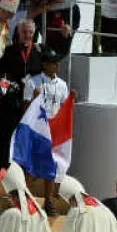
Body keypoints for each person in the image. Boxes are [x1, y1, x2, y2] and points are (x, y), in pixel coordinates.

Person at [24, 48, 74, 215]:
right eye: (53, 62)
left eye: (57, 62)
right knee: (32, 167)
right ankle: (23, 198)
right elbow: (25, 109)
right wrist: (34, 98)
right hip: (38, 130)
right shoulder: (33, 82)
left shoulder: (62, 85)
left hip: (54, 131)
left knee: (51, 167)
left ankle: (49, 201)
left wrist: (72, 99)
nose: (57, 65)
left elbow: (64, 109)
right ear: (45, 64)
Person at [0, 19, 44, 175]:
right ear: (18, 33)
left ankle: (25, 173)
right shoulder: (9, 51)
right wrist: (8, 85)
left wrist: (65, 38)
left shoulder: (39, 52)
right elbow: (0, 73)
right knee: (5, 137)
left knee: (27, 139)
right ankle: (1, 170)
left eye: (30, 32)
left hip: (30, 105)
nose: (27, 35)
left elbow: (56, 59)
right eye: (24, 32)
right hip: (10, 103)